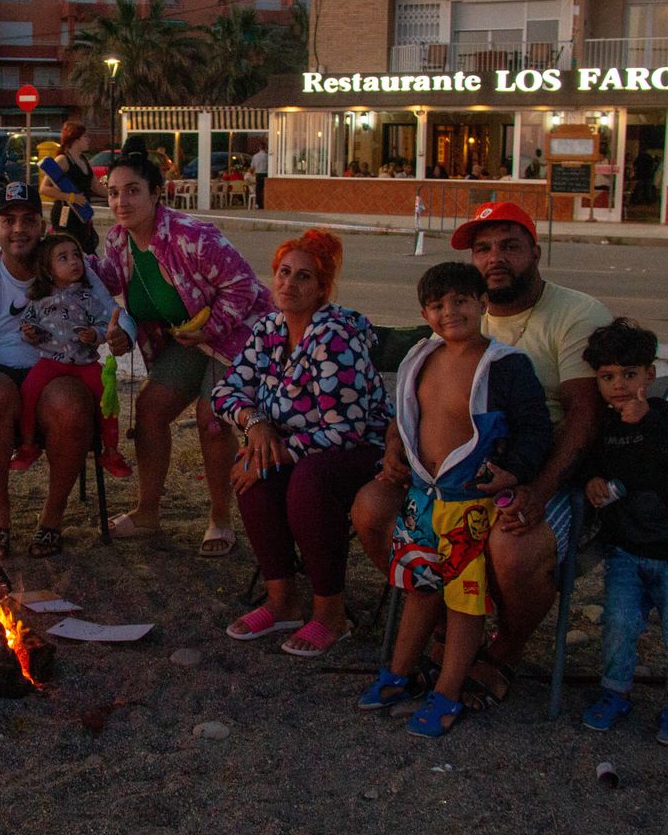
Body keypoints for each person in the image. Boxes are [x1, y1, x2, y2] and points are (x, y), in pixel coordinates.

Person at [352, 200, 612, 711]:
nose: (496, 258)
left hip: (540, 470)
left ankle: (503, 650)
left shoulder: (576, 314)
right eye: (483, 249)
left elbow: (584, 418)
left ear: (535, 252)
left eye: (509, 246)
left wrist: (536, 490)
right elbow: (418, 396)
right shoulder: (459, 317)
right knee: (371, 508)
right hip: (448, 478)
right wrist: (396, 445)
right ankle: (445, 630)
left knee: (513, 545)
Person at [359, 261, 551, 736]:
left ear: (482, 303)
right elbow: (406, 416)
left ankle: (447, 691)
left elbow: (535, 428)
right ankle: (400, 673)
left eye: (461, 301)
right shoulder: (423, 358)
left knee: (465, 602)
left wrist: (514, 472)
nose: (450, 312)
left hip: (470, 504)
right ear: (424, 314)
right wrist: (395, 450)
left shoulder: (505, 366)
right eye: (437, 305)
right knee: (420, 588)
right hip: (424, 498)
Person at [0, 181, 133, 558]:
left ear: (42, 226)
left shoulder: (69, 265)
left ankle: (51, 518)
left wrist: (121, 336)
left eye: (28, 219)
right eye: (9, 220)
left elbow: (116, 314)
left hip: (60, 370)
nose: (19, 229)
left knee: (69, 403)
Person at [214, 229, 390, 656]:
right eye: (284, 272)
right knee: (255, 475)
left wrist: (277, 451)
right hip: (295, 446)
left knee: (306, 480)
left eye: (303, 276)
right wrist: (255, 424)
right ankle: (283, 603)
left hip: (359, 449)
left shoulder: (335, 337)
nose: (289, 283)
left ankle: (331, 614)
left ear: (321, 289)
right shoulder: (269, 328)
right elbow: (225, 391)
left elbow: (345, 429)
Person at [92, 143, 273, 556]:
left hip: (239, 335)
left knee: (212, 419)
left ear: (157, 193)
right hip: (189, 339)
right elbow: (113, 287)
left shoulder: (193, 236)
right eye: (114, 192)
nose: (121, 202)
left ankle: (220, 518)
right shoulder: (118, 242)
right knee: (151, 409)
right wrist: (64, 254)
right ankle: (147, 513)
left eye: (133, 191)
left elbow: (243, 286)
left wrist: (210, 327)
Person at [577, 319, 668, 746]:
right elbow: (591, 464)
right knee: (619, 623)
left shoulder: (664, 415)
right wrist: (592, 480)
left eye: (629, 374)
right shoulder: (603, 426)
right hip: (626, 550)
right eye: (607, 376)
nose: (618, 385)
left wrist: (647, 421)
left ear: (649, 375)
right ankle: (615, 692)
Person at [9, 231, 132, 493]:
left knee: (108, 398)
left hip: (85, 363)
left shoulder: (89, 297)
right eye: (63, 258)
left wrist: (95, 335)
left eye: (76, 255)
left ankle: (111, 450)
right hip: (50, 362)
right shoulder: (39, 298)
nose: (74, 261)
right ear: (48, 268)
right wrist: (30, 333)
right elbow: (27, 325)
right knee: (28, 392)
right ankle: (27, 444)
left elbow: (104, 324)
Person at [37, 121, 101, 253]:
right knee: (67, 249)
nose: (88, 140)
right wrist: (70, 197)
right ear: (76, 140)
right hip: (65, 215)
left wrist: (117, 193)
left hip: (82, 215)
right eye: (85, 137)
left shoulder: (84, 160)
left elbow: (96, 187)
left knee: (86, 251)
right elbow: (44, 188)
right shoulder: (63, 160)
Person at [249, 141, 268, 209]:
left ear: (259, 148)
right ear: (265, 148)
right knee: (265, 190)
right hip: (266, 174)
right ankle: (265, 203)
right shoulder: (267, 156)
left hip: (258, 175)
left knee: (258, 190)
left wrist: (251, 173)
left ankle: (258, 204)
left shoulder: (255, 156)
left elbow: (252, 167)